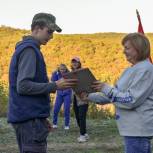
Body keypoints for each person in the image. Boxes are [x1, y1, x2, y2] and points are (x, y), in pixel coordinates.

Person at [7, 13, 77, 153]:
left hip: (30, 118)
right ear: (37, 28)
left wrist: (40, 117)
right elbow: (23, 86)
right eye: (49, 31)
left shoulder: (27, 49)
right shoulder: (29, 50)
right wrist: (55, 85)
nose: (51, 36)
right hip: (29, 120)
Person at [80, 33, 153, 153]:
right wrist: (89, 96)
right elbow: (114, 95)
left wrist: (105, 88)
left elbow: (131, 100)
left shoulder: (146, 69)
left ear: (139, 48)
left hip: (137, 131)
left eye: (127, 48)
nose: (124, 51)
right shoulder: (130, 69)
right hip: (131, 131)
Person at [71, 57, 89, 143]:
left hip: (83, 97)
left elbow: (88, 82)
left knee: (82, 117)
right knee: (78, 116)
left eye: (76, 62)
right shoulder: (71, 73)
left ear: (79, 63)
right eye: (73, 62)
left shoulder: (83, 72)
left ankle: (82, 136)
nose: (74, 64)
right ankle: (84, 133)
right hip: (75, 97)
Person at [51, 64, 72, 130]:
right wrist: (54, 73)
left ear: (66, 69)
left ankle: (66, 125)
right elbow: (53, 81)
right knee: (56, 109)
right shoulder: (57, 74)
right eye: (61, 69)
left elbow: (71, 82)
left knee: (66, 109)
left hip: (67, 94)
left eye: (64, 69)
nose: (62, 71)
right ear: (59, 69)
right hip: (59, 94)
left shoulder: (69, 74)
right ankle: (54, 124)